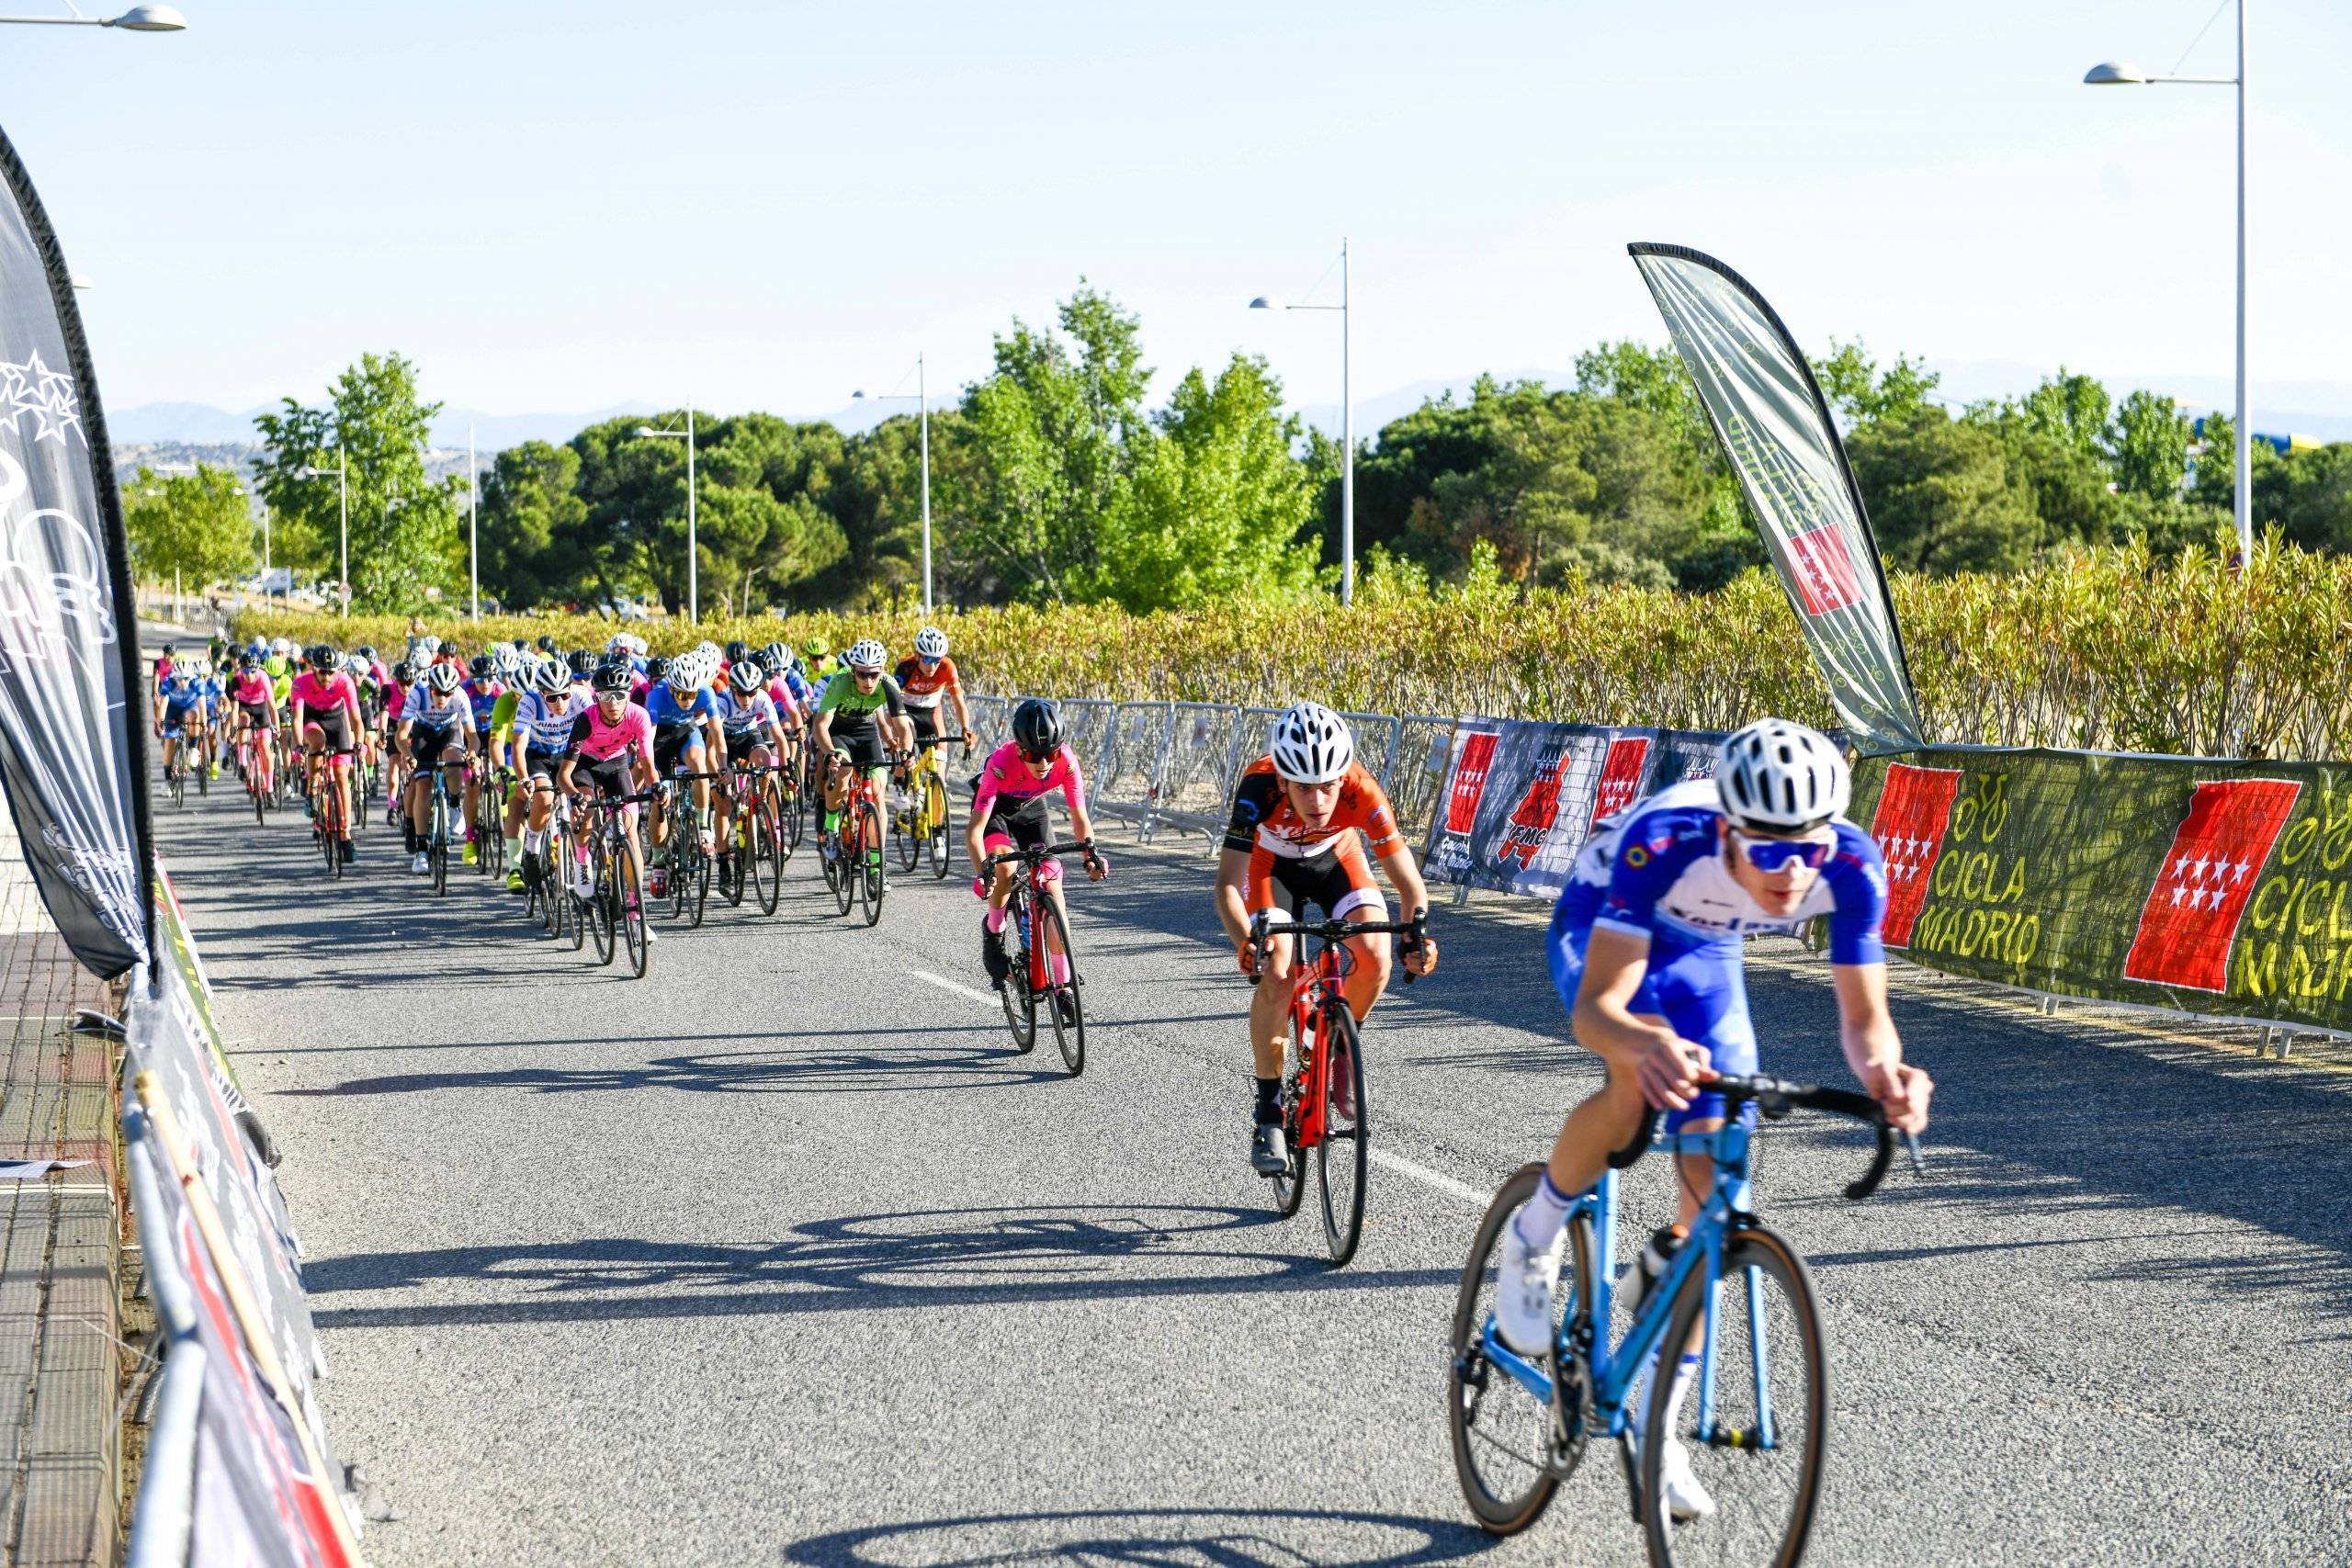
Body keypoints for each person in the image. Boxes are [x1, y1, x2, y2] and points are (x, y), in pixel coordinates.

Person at [1490, 717, 1934, 1521]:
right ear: (1728, 829)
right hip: (1609, 929)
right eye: (1767, 851)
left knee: (1716, 1165)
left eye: (1810, 849)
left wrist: (1888, 1076)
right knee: (1636, 1085)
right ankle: (1536, 1234)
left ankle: (1660, 1416)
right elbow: (1598, 1010)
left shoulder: (1855, 864)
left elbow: (1866, 1025)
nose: (1793, 873)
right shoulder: (1667, 838)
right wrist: (1639, 1042)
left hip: (1705, 957)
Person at [1215, 702, 1437, 1177]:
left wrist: (1415, 936)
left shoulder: (1362, 789)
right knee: (1277, 971)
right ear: (1282, 783)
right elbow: (1227, 886)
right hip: (1269, 867)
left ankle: (1339, 1043)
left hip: (1336, 859)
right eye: (1303, 788)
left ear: (1343, 777)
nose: (1317, 801)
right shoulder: (1256, 788)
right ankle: (1269, 1111)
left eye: (1327, 786)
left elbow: (1409, 885)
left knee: (1375, 953)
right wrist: (1245, 941)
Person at [967, 698, 1107, 1020]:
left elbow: (1080, 818)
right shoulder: (1000, 763)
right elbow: (974, 831)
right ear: (1019, 750)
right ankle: (995, 929)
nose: (1044, 763)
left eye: (1051, 753)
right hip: (995, 812)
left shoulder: (1067, 762)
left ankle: (1064, 985)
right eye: (1034, 756)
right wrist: (981, 873)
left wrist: (1090, 854)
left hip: (1032, 810)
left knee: (1052, 884)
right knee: (1005, 864)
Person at [558, 659, 660, 941]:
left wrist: (658, 787)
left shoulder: (639, 716)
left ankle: (635, 911)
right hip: (585, 767)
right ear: (596, 697)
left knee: (630, 833)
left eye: (620, 695)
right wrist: (575, 796)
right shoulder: (585, 720)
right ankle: (582, 862)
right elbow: (563, 775)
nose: (613, 702)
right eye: (605, 695)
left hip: (616, 765)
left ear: (629, 695)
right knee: (587, 811)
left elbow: (647, 764)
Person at [809, 638, 912, 867]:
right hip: (839, 731)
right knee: (844, 771)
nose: (868, 681)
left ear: (882, 671)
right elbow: (820, 726)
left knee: (877, 794)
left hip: (866, 732)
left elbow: (903, 726)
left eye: (873, 675)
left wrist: (906, 752)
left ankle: (877, 865)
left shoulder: (889, 684)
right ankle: (831, 826)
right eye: (862, 674)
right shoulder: (840, 682)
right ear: (853, 671)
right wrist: (829, 754)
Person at [502, 657, 577, 893]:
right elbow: (518, 745)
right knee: (543, 800)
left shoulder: (582, 697)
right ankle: (532, 849)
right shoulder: (530, 701)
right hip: (539, 756)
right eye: (552, 697)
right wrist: (524, 778)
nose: (559, 702)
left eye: (564, 695)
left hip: (568, 754)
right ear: (542, 693)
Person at [711, 660, 788, 883]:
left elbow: (779, 737)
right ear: (732, 689)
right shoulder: (722, 702)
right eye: (741, 693)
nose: (746, 699)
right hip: (722, 741)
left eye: (751, 693)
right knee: (723, 803)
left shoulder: (762, 698)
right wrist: (723, 769)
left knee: (768, 760)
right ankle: (724, 859)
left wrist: (787, 769)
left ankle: (760, 803)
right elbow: (715, 743)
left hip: (748, 735)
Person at [396, 660, 474, 874]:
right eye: (437, 692)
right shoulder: (417, 694)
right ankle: (422, 850)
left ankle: (455, 804)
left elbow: (472, 735)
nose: (442, 698)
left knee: (454, 760)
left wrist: (473, 753)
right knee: (422, 785)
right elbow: (401, 735)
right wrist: (409, 755)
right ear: (430, 687)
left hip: (449, 731)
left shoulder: (460, 696)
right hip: (424, 733)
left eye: (447, 693)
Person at [288, 645, 363, 863]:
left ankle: (345, 834)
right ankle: (312, 785)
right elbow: (296, 719)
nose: (328, 677)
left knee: (341, 776)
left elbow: (356, 718)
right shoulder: (301, 683)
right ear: (314, 669)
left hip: (337, 719)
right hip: (312, 719)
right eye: (323, 672)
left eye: (332, 672)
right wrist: (300, 746)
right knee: (318, 743)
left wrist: (358, 743)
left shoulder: (344, 682)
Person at [892, 625, 977, 772]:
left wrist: (965, 729)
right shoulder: (906, 667)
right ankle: (900, 783)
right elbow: (892, 703)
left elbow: (959, 703)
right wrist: (895, 733)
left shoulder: (947, 667)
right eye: (927, 659)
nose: (932, 665)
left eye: (937, 660)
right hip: (906, 710)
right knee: (906, 744)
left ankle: (938, 787)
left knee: (940, 758)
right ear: (917, 655)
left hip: (931, 711)